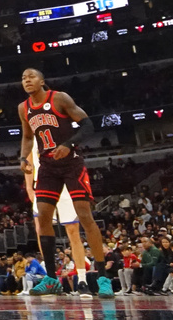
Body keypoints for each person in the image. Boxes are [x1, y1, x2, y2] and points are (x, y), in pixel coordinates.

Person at [19, 68, 113, 297]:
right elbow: (28, 136)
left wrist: (69, 144)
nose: (27, 80)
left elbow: (88, 125)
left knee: (84, 215)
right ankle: (51, 278)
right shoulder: (24, 108)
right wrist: (23, 158)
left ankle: (103, 277)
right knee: (42, 217)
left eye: (31, 76)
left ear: (42, 80)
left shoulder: (59, 98)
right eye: (23, 78)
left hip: (71, 163)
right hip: (48, 167)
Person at [23, 142, 92, 298]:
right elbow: (28, 159)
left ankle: (82, 280)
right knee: (41, 228)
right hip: (42, 183)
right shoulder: (31, 128)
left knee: (73, 230)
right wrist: (29, 187)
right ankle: (51, 278)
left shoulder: (62, 123)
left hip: (66, 182)